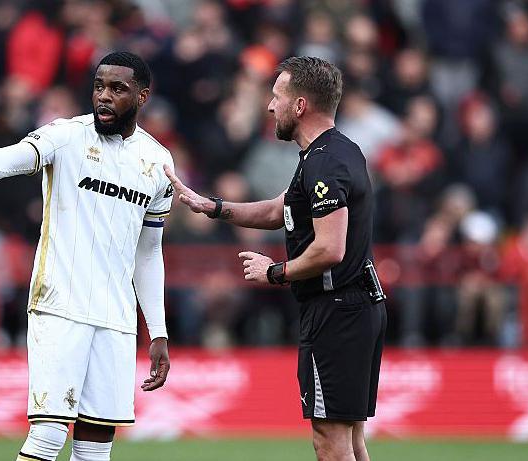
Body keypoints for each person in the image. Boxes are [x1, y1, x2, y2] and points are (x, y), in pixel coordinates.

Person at [0, 52, 173, 461]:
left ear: (142, 96)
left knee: (96, 449)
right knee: (47, 438)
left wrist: (159, 330)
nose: (104, 96)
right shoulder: (66, 136)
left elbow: (149, 252)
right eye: (98, 86)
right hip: (60, 305)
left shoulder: (158, 162)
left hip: (116, 318)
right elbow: (5, 161)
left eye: (117, 89)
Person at [165, 56, 386, 461]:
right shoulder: (337, 151)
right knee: (352, 441)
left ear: (299, 106)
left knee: (330, 443)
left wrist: (276, 272)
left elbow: (329, 249)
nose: (269, 106)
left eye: (277, 96)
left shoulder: (324, 163)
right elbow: (278, 210)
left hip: (336, 312)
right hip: (355, 308)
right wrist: (213, 207)